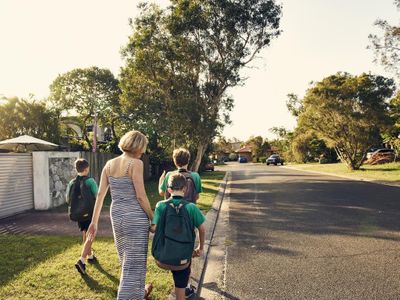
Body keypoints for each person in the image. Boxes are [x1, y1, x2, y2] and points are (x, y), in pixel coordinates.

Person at [86, 130, 154, 300]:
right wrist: (153, 217)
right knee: (135, 263)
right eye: (143, 147)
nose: (143, 151)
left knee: (126, 260)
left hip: (117, 215)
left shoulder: (109, 164)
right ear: (138, 146)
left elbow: (100, 195)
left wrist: (94, 222)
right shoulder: (136, 164)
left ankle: (139, 294)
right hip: (134, 217)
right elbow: (140, 195)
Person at [151, 173, 206, 300]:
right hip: (182, 261)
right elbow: (202, 229)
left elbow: (154, 228)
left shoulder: (160, 205)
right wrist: (200, 247)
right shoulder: (191, 207)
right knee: (182, 275)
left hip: (162, 259)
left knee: (173, 262)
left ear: (168, 190)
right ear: (185, 189)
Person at [158, 147, 203, 297]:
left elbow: (162, 193)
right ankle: (186, 285)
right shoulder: (195, 176)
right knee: (187, 248)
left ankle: (180, 283)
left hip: (170, 218)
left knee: (173, 245)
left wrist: (160, 182)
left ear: (174, 160)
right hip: (189, 218)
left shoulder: (170, 175)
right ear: (188, 161)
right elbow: (196, 197)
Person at [66, 158, 98, 275]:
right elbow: (97, 195)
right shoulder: (90, 181)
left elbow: (67, 198)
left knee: (85, 231)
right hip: (90, 212)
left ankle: (90, 256)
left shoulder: (72, 182)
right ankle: (82, 260)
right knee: (91, 233)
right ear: (86, 169)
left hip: (78, 213)